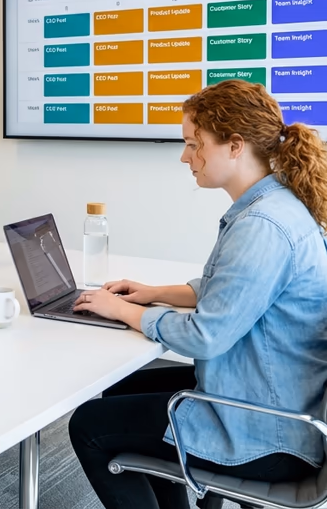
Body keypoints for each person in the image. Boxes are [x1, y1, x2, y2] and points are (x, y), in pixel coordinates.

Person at [68, 79, 327, 509]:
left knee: (88, 425)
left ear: (235, 146)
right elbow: (233, 290)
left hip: (268, 432)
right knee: (121, 389)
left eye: (194, 143)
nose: (185, 156)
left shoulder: (263, 226)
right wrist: (153, 293)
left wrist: (122, 311)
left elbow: (206, 337)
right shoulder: (278, 205)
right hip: (273, 397)